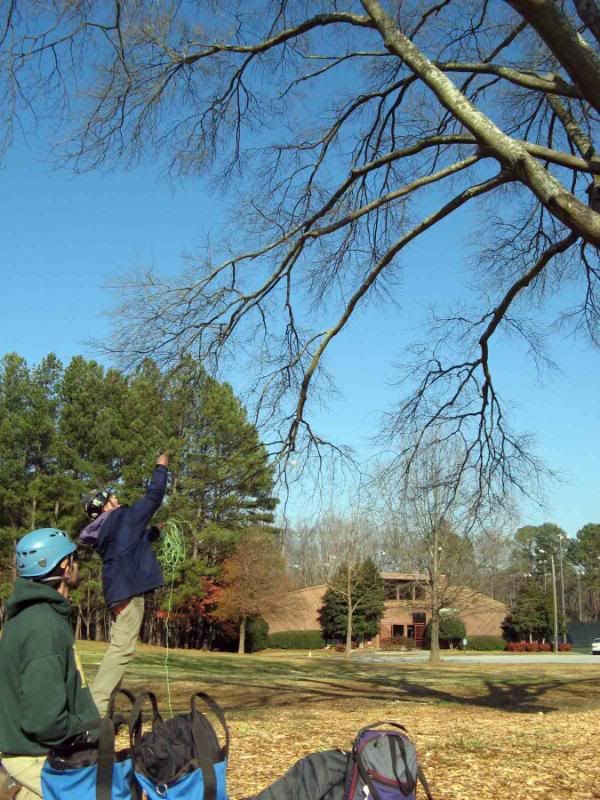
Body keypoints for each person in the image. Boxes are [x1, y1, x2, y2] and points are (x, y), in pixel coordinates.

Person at [0, 528, 100, 800]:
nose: (77, 565)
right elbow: (44, 721)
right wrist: (88, 725)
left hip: (36, 755)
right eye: (74, 559)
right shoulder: (43, 625)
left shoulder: (31, 616)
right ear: (65, 567)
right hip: (36, 764)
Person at [80, 452, 168, 715]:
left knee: (122, 650)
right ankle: (95, 709)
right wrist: (161, 466)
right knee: (121, 651)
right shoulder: (121, 518)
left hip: (118, 593)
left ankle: (103, 710)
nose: (116, 500)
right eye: (111, 499)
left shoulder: (107, 529)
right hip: (128, 594)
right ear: (105, 506)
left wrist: (149, 534)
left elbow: (125, 548)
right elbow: (154, 496)